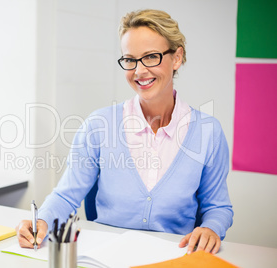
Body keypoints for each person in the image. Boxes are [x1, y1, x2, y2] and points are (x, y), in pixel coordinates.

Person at [17, 9, 233, 255]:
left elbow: (218, 207)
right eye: (130, 59)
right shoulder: (99, 125)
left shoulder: (208, 132)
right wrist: (42, 222)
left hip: (174, 257)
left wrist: (211, 228)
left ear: (177, 58)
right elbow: (66, 196)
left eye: (151, 57)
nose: (139, 71)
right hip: (105, 256)